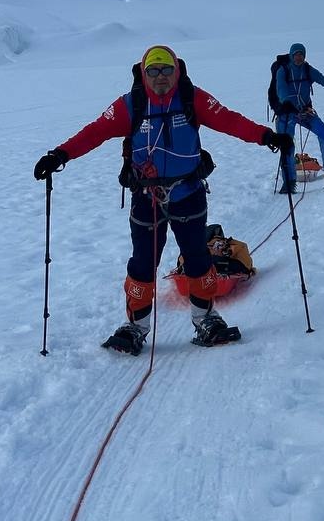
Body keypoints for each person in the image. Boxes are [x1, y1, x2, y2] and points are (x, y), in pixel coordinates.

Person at [33, 45, 294, 354]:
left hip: (188, 194)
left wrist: (267, 137)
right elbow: (95, 132)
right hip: (146, 198)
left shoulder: (192, 98)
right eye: (153, 71)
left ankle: (206, 320)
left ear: (177, 71)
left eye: (167, 70)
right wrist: (59, 155)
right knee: (142, 263)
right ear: (144, 74)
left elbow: (229, 120)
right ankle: (136, 326)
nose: (161, 77)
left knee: (197, 259)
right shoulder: (131, 105)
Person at [272, 42, 324, 193]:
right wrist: (285, 101)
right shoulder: (283, 70)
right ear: (291, 55)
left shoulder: (308, 70)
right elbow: (280, 87)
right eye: (296, 54)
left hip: (305, 111)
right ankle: (289, 181)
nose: (299, 57)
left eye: (301, 54)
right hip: (287, 112)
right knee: (287, 144)